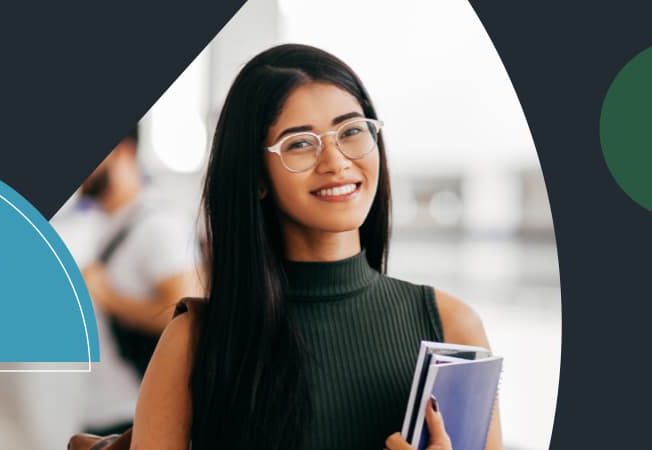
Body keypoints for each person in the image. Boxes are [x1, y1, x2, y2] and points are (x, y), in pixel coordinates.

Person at [132, 44, 503, 450]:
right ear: (256, 177)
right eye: (300, 143)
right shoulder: (194, 342)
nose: (336, 161)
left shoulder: (452, 328)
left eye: (352, 131)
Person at [76, 126, 202, 436]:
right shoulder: (104, 224)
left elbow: (189, 320)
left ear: (124, 150)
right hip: (102, 418)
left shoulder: (160, 225)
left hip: (136, 421)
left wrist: (108, 297)